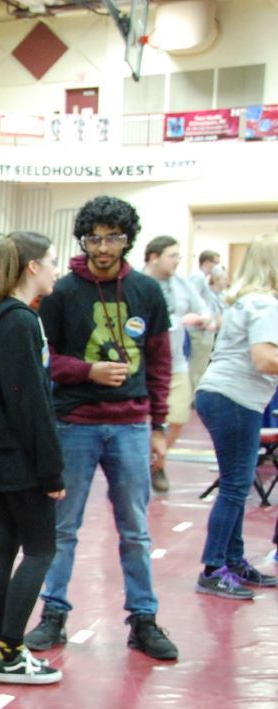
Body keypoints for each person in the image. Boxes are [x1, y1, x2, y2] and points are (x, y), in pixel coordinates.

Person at [24, 195, 178, 662]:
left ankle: (143, 618)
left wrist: (158, 425)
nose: (104, 247)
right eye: (95, 237)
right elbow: (47, 362)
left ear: (128, 239)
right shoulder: (64, 292)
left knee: (135, 529)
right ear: (84, 240)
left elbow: (160, 361)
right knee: (63, 528)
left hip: (131, 425)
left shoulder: (148, 291)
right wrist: (87, 372)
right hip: (75, 422)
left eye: (113, 237)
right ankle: (53, 613)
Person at [0, 232, 65, 685]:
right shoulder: (21, 322)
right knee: (41, 548)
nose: (56, 271)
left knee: (4, 545)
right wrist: (51, 469)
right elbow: (30, 404)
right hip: (17, 456)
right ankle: (11, 651)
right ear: (32, 268)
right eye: (52, 262)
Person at [193, 234, 278, 600]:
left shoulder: (247, 301)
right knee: (234, 486)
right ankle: (213, 568)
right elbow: (263, 359)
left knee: (237, 483)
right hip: (234, 398)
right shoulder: (264, 305)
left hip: (224, 395)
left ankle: (234, 559)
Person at [143, 235, 212, 493]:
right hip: (145, 365)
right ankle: (145, 463)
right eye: (172, 255)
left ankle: (156, 460)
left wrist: (201, 319)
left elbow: (205, 310)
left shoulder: (182, 284)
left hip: (176, 363)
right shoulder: (138, 284)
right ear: (154, 256)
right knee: (146, 419)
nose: (177, 261)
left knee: (179, 415)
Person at [186, 249, 223, 391]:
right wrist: (205, 320)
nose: (217, 267)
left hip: (206, 328)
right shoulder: (198, 278)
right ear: (207, 262)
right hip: (199, 328)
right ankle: (193, 394)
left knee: (201, 364)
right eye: (216, 263)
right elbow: (194, 302)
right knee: (197, 365)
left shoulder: (204, 279)